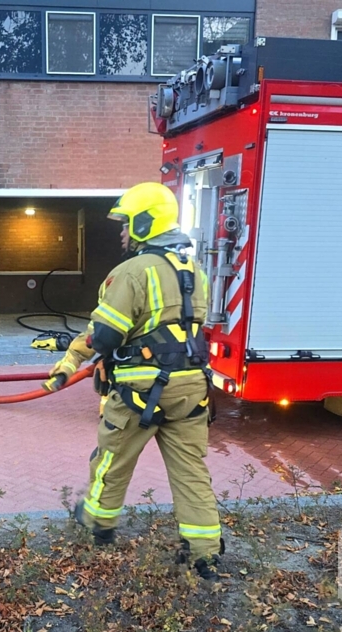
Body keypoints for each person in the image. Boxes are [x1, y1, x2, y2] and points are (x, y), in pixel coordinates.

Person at [43, 182, 222, 580]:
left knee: (112, 458)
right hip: (193, 388)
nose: (122, 232)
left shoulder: (132, 272)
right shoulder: (194, 271)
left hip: (141, 391)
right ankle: (204, 552)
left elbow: (105, 336)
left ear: (144, 222)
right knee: (191, 470)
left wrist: (72, 359)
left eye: (125, 224)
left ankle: (97, 525)